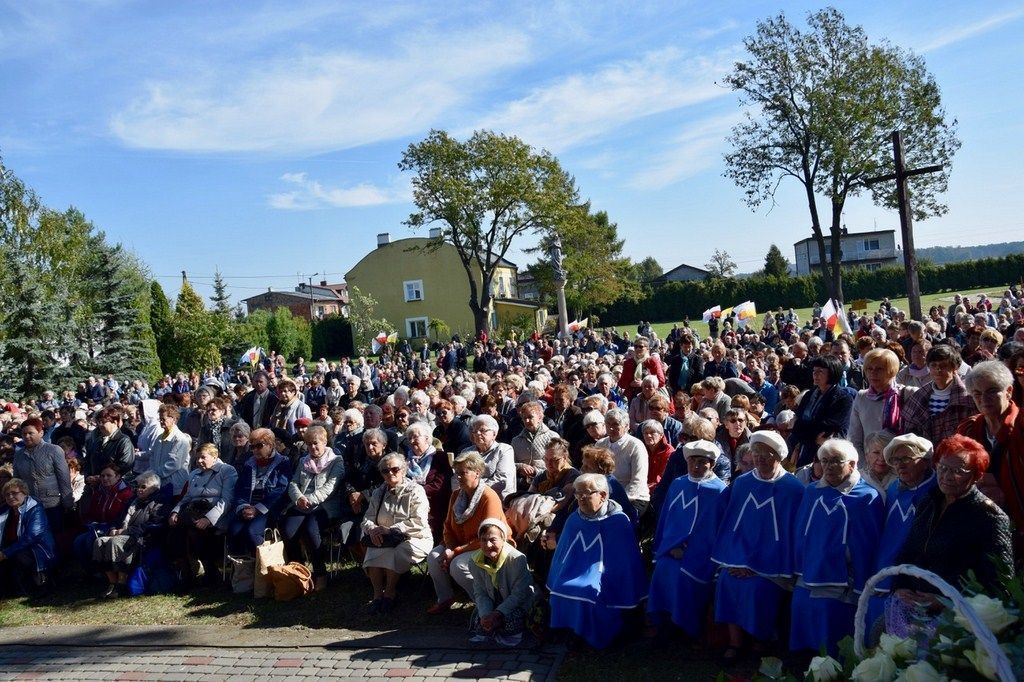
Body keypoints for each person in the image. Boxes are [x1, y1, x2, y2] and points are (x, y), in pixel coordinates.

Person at [892, 435, 1014, 630]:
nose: (947, 476)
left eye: (959, 471)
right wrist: (900, 586)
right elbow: (909, 551)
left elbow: (999, 582)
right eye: (943, 467)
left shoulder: (989, 517)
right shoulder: (928, 502)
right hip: (914, 612)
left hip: (956, 622)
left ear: (977, 475)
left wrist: (946, 600)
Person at [711, 430, 805, 660]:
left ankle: (761, 639)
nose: (761, 458)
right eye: (756, 452)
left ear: (779, 456)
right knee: (727, 581)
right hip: (739, 558)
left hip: (775, 564)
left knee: (758, 588)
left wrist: (756, 566)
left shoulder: (793, 488)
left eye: (768, 453)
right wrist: (736, 561)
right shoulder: (742, 483)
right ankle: (735, 642)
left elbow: (790, 536)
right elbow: (733, 527)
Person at [790, 439, 883, 655]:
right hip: (810, 569)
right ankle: (805, 657)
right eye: (824, 461)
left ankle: (831, 662)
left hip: (843, 576)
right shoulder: (813, 491)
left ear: (852, 464)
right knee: (801, 605)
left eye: (836, 461)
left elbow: (867, 544)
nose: (829, 467)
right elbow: (801, 531)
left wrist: (860, 581)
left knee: (828, 612)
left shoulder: (867, 497)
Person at [547, 474, 646, 649]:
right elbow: (562, 557)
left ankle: (594, 637)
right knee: (562, 587)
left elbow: (625, 562)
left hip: (606, 576)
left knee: (588, 592)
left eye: (587, 494)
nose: (581, 499)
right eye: (578, 494)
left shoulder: (618, 521)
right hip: (573, 572)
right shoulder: (574, 519)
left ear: (603, 495)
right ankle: (573, 632)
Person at [647, 440, 728, 640]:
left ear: (713, 464)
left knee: (685, 576)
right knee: (663, 569)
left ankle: (687, 628)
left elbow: (716, 531)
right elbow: (667, 519)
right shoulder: (679, 484)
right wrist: (669, 546)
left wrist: (689, 551)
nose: (696, 466)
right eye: (692, 461)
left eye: (702, 462)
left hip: (702, 555)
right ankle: (665, 623)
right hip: (671, 550)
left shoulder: (719, 491)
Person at [426, 451, 506, 614]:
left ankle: (485, 604)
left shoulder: (488, 497)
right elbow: (447, 526)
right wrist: (449, 547)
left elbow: (489, 536)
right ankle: (445, 598)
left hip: (487, 546)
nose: (459, 477)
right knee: (434, 557)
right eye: (457, 473)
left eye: (463, 473)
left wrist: (455, 552)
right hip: (460, 545)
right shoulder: (456, 495)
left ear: (477, 472)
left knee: (458, 565)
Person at [956, 360, 1024, 533]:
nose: (984, 399)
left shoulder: (1021, 426)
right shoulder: (968, 429)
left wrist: (1000, 483)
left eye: (992, 391)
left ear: (1009, 391)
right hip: (979, 525)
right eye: (977, 393)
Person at [361, 453, 433, 614]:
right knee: (373, 549)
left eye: (395, 469)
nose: (390, 473)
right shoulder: (379, 493)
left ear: (404, 470)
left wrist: (392, 529)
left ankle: (390, 592)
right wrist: (372, 529)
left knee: (395, 551)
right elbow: (367, 518)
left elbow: (419, 522)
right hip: (386, 538)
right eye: (385, 471)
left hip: (415, 537)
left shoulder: (415, 491)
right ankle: (377, 595)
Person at [280, 425, 344, 591]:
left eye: (316, 443)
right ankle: (299, 571)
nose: (312, 447)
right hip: (302, 505)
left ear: (324, 442)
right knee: (287, 530)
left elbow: (331, 487)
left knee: (310, 529)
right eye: (309, 444)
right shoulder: (304, 460)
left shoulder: (336, 461)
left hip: (324, 507)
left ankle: (321, 573)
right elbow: (294, 482)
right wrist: (299, 498)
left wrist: (309, 499)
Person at [168, 443, 238, 586]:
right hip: (193, 513)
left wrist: (208, 519)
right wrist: (175, 511)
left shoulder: (227, 471)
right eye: (197, 458)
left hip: (218, 515)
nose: (199, 461)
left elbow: (227, 500)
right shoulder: (194, 473)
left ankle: (209, 570)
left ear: (215, 456)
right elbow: (186, 498)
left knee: (195, 530)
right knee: (174, 529)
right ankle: (186, 570)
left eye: (203, 457)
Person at [92, 470, 168, 598]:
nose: (139, 489)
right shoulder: (133, 501)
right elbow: (117, 519)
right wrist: (113, 528)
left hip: (142, 537)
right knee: (99, 542)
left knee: (115, 542)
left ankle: (122, 584)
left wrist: (127, 531)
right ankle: (112, 583)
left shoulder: (158, 502)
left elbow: (154, 524)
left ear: (154, 488)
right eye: (137, 486)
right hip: (124, 533)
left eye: (143, 487)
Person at [468, 517, 536, 647]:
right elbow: (480, 593)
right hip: (494, 604)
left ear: (503, 540)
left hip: (518, 604)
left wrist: (498, 613)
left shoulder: (516, 559)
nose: (488, 545)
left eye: (493, 540)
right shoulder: (474, 561)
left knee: (510, 622)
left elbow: (519, 595)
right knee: (479, 621)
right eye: (483, 540)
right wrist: (486, 615)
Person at [229, 427, 292, 555]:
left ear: (271, 445)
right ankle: (243, 568)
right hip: (248, 506)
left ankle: (264, 566)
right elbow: (240, 488)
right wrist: (243, 507)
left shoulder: (283, 462)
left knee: (252, 531)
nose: (255, 450)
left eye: (259, 445)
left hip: (269, 508)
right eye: (252, 447)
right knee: (233, 530)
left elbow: (281, 490)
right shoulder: (249, 463)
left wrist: (258, 509)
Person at [902, 344, 977, 447]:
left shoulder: (968, 398)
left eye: (944, 366)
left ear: (955, 368)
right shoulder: (919, 397)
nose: (938, 370)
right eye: (934, 365)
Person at [788, 355, 854, 467]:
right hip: (805, 449)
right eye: (814, 371)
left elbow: (829, 426)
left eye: (820, 371)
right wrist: (807, 432)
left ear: (832, 372)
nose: (815, 374)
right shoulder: (809, 395)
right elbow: (797, 421)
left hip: (829, 453)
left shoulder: (843, 398)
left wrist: (802, 429)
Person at [848, 349, 915, 455]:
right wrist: (864, 467)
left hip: (901, 465)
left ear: (892, 371)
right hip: (870, 467)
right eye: (869, 368)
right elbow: (854, 439)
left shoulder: (909, 394)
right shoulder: (861, 397)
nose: (873, 373)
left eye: (879, 369)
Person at [13, 418, 73, 533]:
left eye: (31, 433)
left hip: (52, 504)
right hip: (30, 506)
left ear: (41, 433)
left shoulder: (54, 450)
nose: (26, 436)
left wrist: (67, 503)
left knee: (56, 537)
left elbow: (64, 479)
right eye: (24, 434)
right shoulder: (19, 455)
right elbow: (17, 482)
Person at [72, 463, 134, 571]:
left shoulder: (125, 493)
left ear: (118, 476)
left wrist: (110, 527)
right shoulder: (100, 491)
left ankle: (100, 571)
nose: (105, 478)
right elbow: (92, 512)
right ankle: (88, 571)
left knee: (89, 541)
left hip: (113, 527)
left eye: (109, 475)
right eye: (102, 476)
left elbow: (123, 517)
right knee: (78, 541)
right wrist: (88, 522)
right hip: (97, 526)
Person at [0, 478, 56, 595]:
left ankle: (39, 584)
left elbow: (32, 536)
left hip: (37, 549)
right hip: (12, 548)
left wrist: (6, 553)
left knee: (18, 555)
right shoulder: (4, 510)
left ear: (25, 494)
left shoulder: (35, 509)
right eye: (7, 494)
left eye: (14, 493)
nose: (10, 497)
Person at [404, 421, 452, 541]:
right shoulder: (406, 461)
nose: (411, 441)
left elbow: (441, 485)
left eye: (415, 437)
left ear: (427, 438)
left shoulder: (439, 457)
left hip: (434, 501)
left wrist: (416, 492)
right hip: (409, 500)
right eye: (409, 438)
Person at [596, 408, 649, 514]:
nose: (611, 428)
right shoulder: (600, 445)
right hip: (605, 496)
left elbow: (638, 480)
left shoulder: (635, 445)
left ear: (626, 426)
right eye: (608, 424)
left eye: (616, 424)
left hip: (633, 497)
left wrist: (617, 502)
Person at [464, 415, 516, 502]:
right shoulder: (466, 452)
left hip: (497, 501)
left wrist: (472, 487)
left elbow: (502, 480)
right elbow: (457, 477)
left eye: (482, 430)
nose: (477, 434)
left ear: (494, 434)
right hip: (469, 500)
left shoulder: (504, 450)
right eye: (475, 431)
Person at [147, 404, 191, 497]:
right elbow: (152, 456)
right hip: (159, 483)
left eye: (164, 419)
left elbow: (174, 463)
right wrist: (152, 473)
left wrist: (155, 474)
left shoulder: (180, 439)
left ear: (173, 419)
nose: (161, 421)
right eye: (160, 419)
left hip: (175, 486)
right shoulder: (160, 437)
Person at [861, 431, 898, 499]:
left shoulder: (901, 479)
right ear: (867, 456)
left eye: (886, 453)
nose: (882, 458)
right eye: (876, 452)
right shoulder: (859, 479)